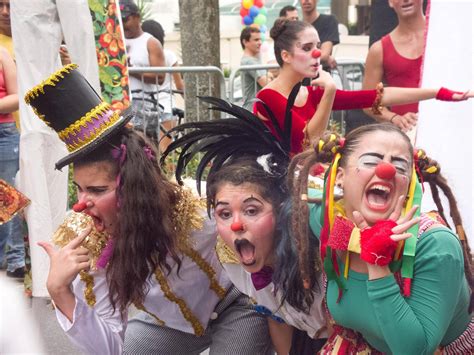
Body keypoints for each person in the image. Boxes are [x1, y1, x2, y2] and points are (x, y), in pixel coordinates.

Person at [25, 64, 272, 354]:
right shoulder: (86, 244)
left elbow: (264, 217)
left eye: (97, 190)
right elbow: (109, 348)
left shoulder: (196, 205)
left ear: (133, 186)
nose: (81, 203)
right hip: (170, 326)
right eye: (79, 188)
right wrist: (60, 291)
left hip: (237, 306)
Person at [161, 95, 330, 355]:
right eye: (224, 213)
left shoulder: (319, 247)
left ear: (281, 209)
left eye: (252, 210)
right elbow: (276, 316)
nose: (237, 224)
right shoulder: (230, 257)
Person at [288, 123, 473, 353]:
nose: (387, 170)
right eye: (370, 161)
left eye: (400, 166)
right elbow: (298, 199)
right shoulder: (335, 225)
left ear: (410, 184)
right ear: (340, 177)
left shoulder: (434, 245)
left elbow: (415, 350)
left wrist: (377, 263)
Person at [255, 19, 474, 155]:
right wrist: (330, 92)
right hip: (279, 190)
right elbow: (308, 141)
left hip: (307, 181)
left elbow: (373, 97)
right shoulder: (268, 97)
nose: (317, 54)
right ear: (286, 56)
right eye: (307, 47)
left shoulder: (310, 91)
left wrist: (437, 93)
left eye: (318, 46)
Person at [363, 0, 425, 135]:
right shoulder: (379, 49)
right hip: (407, 137)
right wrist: (394, 118)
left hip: (450, 127)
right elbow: (367, 101)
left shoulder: (444, 38)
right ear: (390, 2)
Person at [120, 0, 166, 130]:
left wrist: (131, 71)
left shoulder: (151, 42)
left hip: (145, 106)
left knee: (147, 147)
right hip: (121, 106)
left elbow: (160, 77)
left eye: (125, 19)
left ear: (137, 17)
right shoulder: (116, 42)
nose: (123, 25)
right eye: (119, 20)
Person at [142, 19, 184, 152]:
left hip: (144, 107)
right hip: (166, 106)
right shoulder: (170, 56)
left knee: (148, 152)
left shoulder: (141, 58)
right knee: (166, 152)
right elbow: (179, 85)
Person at [0, 46, 23, 279]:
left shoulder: (2, 53)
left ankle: (14, 259)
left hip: (3, 133)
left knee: (6, 199)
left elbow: (17, 97)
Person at [300, 0, 339, 71]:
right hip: (299, 78)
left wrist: (299, 60)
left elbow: (324, 55)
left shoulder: (329, 20)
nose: (306, 1)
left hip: (320, 76)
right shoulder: (297, 26)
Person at [240, 26, 273, 109]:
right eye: (256, 40)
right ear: (245, 42)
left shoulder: (252, 60)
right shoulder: (249, 62)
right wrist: (270, 74)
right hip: (253, 110)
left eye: (260, 39)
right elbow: (266, 83)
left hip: (254, 108)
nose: (260, 42)